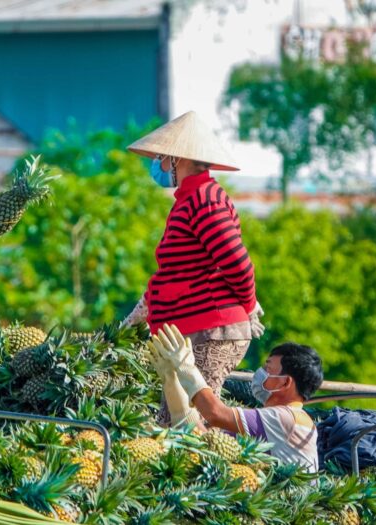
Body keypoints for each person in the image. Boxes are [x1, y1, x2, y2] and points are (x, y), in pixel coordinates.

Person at [122, 111, 264, 427]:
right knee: (172, 419)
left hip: (212, 327)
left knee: (191, 422)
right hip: (190, 330)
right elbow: (176, 272)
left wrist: (249, 304)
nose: (156, 164)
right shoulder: (188, 200)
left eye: (160, 157)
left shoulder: (204, 198)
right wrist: (142, 311)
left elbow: (237, 263)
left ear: (176, 159)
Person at [149, 324, 322, 471]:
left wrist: (186, 367)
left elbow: (214, 413)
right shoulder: (274, 420)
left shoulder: (288, 418)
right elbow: (204, 440)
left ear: (285, 383)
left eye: (268, 370)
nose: (260, 374)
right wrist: (171, 381)